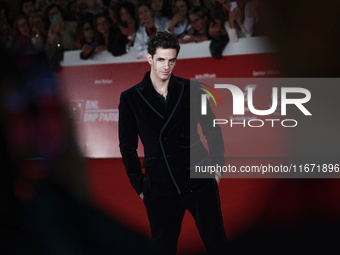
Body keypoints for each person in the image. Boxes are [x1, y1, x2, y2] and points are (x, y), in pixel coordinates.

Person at [118, 31, 228, 255]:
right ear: (150, 59)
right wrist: (139, 185)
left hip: (198, 180)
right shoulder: (131, 98)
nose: (166, 66)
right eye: (160, 59)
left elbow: (212, 129)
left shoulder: (192, 89)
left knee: (217, 244)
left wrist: (216, 166)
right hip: (159, 187)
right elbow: (127, 146)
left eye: (171, 60)